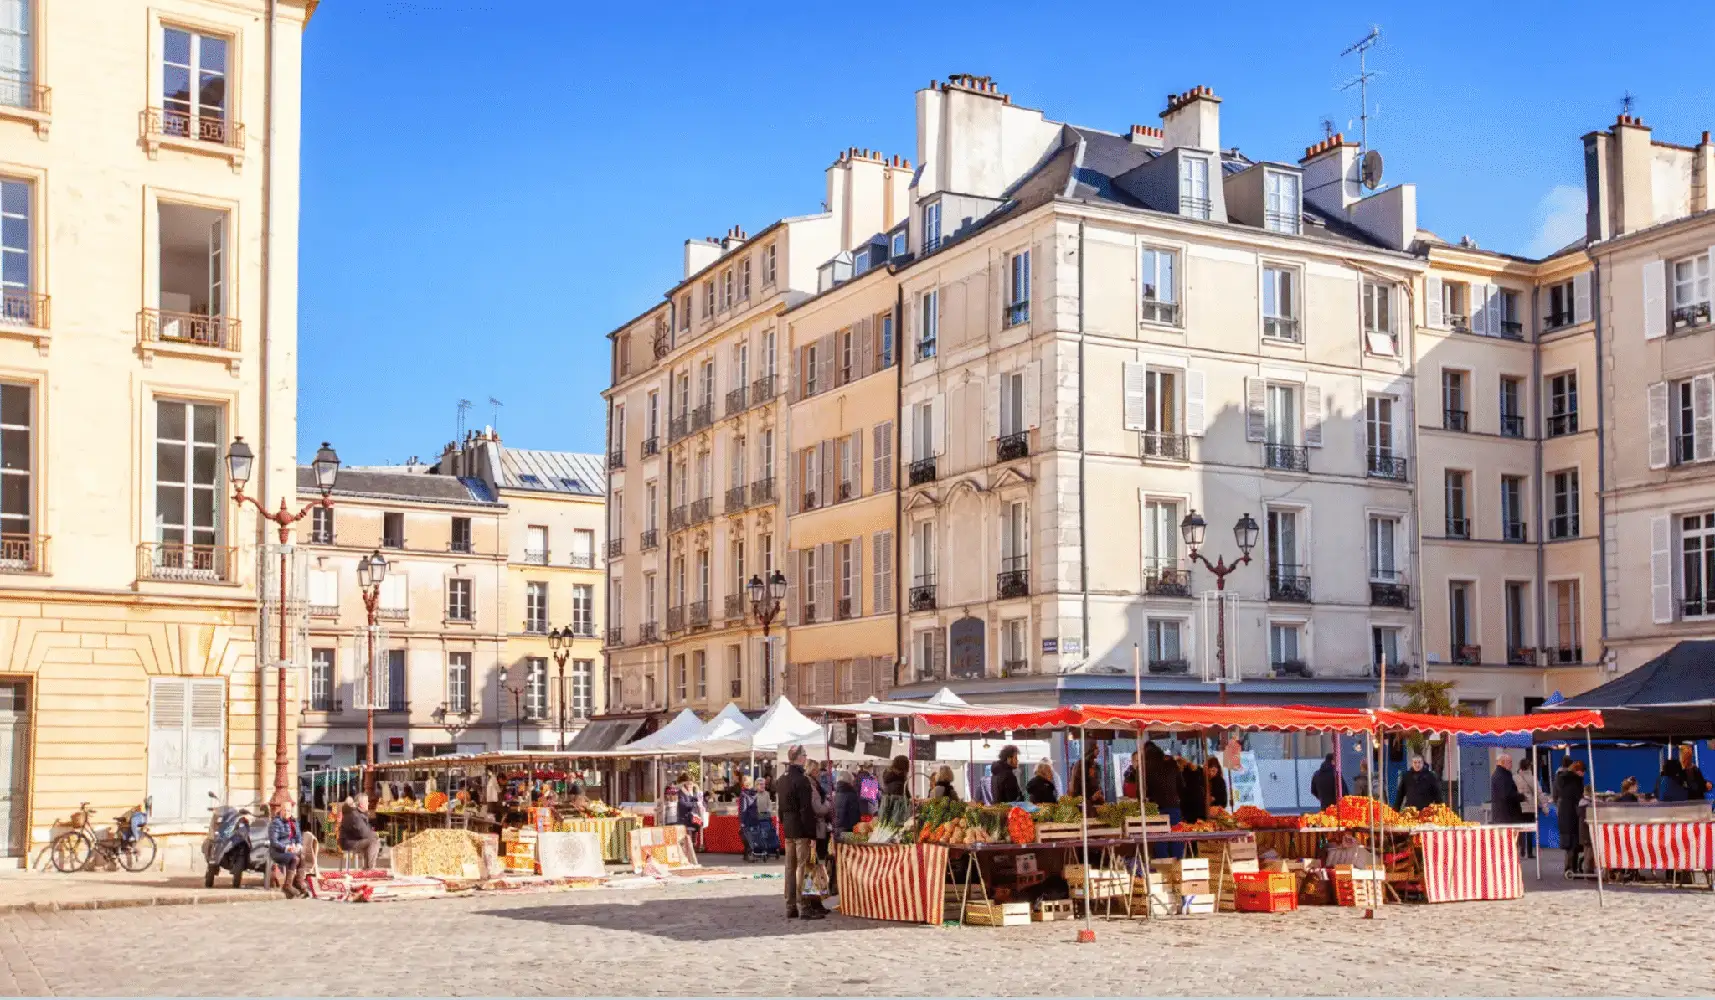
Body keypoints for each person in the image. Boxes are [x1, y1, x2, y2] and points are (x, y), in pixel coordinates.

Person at [776, 746, 824, 920]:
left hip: (789, 828)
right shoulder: (802, 780)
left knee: (790, 868)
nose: (806, 757)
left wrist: (784, 823)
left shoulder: (782, 779)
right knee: (804, 867)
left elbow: (780, 807)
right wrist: (811, 834)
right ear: (799, 758)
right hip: (801, 829)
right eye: (804, 755)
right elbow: (806, 809)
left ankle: (790, 906)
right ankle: (804, 906)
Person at [268, 800, 308, 899]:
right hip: (278, 851)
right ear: (281, 810)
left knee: (302, 857)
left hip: (291, 849)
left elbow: (298, 837)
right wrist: (286, 848)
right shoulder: (275, 823)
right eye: (284, 810)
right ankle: (287, 885)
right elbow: (274, 842)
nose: (286, 813)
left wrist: (298, 845)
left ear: (291, 811)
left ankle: (298, 881)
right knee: (295, 859)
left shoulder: (294, 821)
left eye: (289, 811)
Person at [1554, 759, 1586, 874]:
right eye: (1583, 772)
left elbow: (1556, 795)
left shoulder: (1561, 778)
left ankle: (1569, 868)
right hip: (1572, 812)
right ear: (1578, 771)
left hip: (1564, 813)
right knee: (1574, 842)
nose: (1583, 774)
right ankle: (1572, 869)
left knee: (1569, 843)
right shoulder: (1575, 781)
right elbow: (1578, 797)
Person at [338, 793, 381, 870]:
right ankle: (370, 868)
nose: (368, 803)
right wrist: (375, 835)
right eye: (366, 802)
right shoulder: (355, 815)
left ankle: (367, 868)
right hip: (348, 842)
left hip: (351, 840)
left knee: (371, 841)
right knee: (374, 841)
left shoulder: (358, 813)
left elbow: (364, 831)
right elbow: (363, 833)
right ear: (361, 805)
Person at [1490, 753, 1526, 825]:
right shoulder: (1502, 776)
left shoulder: (1499, 774)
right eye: (1510, 762)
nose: (1511, 765)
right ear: (1503, 762)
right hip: (1507, 817)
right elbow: (1507, 794)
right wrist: (1521, 797)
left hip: (1503, 816)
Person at [832, 768, 863, 837]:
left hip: (837, 830)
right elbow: (854, 815)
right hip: (848, 831)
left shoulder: (836, 794)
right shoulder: (851, 794)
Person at [1180, 758, 1208, 824]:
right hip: (1200, 811)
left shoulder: (1185, 778)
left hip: (1190, 812)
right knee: (1201, 826)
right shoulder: (1199, 774)